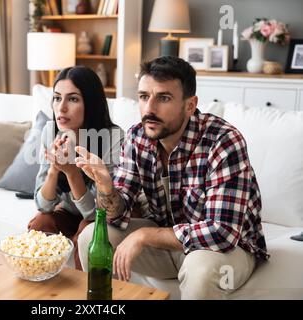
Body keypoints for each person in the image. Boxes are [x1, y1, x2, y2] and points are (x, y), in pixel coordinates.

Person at [75, 56, 269, 299]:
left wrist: (145, 235)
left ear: (190, 105)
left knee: (200, 270)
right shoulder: (137, 137)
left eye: (163, 98)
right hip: (168, 239)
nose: (149, 109)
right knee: (90, 238)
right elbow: (116, 214)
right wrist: (106, 188)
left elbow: (223, 232)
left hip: (226, 249)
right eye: (144, 96)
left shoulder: (224, 141)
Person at [28, 66, 124, 270]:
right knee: (40, 224)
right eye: (56, 98)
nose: (61, 108)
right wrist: (55, 169)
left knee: (87, 232)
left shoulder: (113, 138)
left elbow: (95, 214)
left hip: (99, 215)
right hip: (68, 212)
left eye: (72, 99)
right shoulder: (50, 131)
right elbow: (42, 205)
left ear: (91, 104)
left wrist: (71, 172)